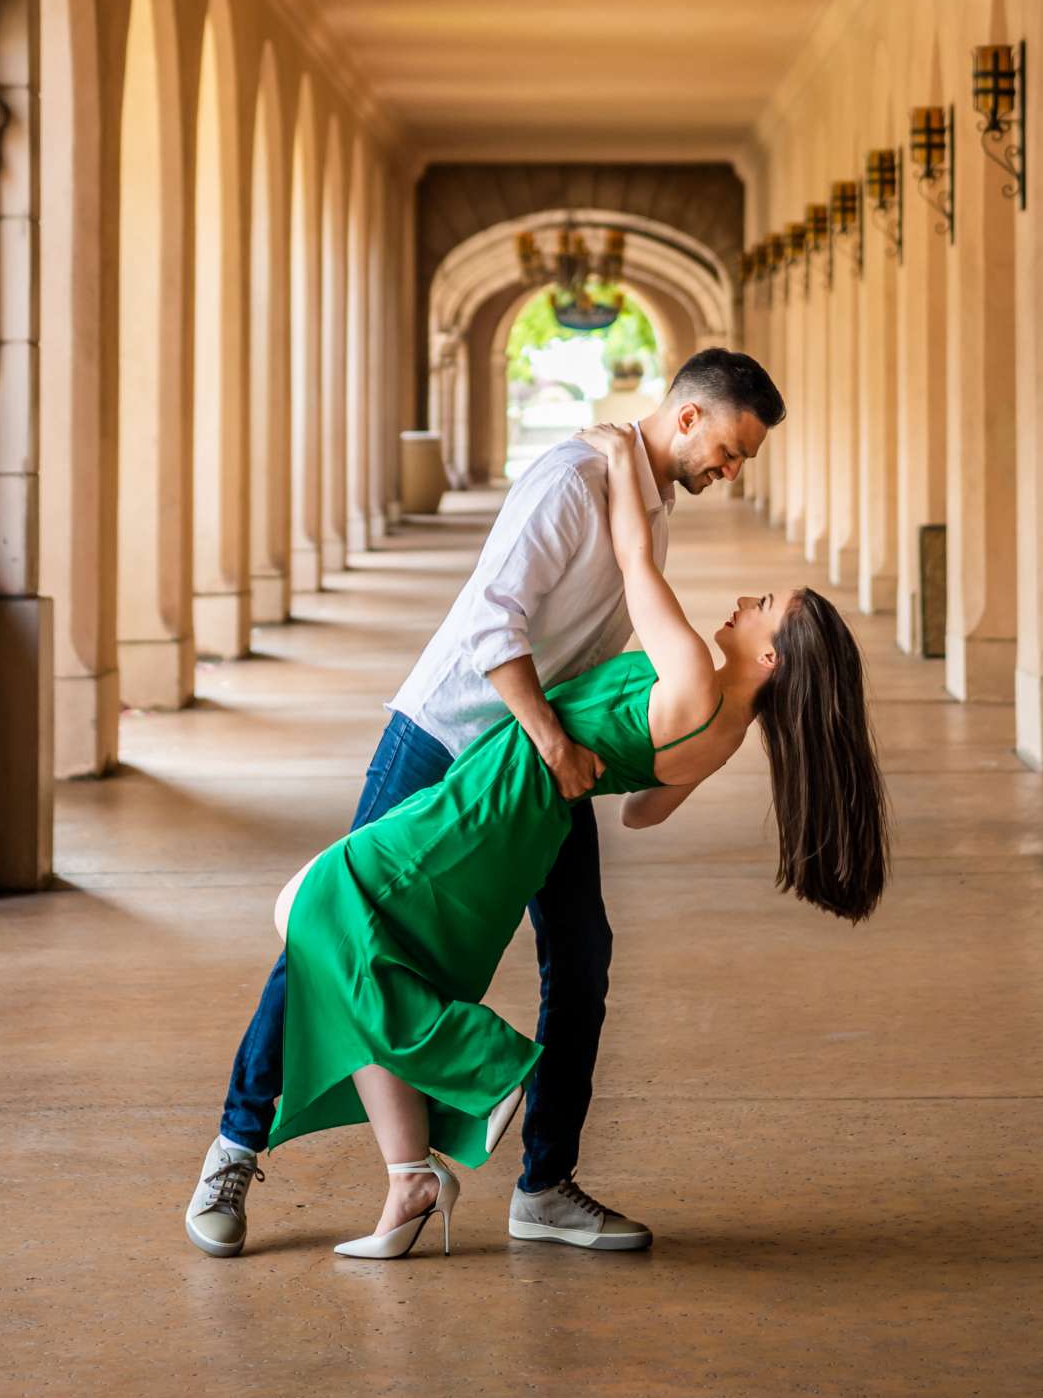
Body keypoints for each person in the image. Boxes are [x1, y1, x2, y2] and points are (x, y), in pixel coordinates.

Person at [186, 347, 786, 1259]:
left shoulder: (646, 501)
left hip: (544, 760)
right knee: (329, 927)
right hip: (454, 736)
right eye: (732, 450)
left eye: (745, 462)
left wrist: (573, 747)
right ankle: (234, 1147)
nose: (732, 473)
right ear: (691, 416)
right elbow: (489, 624)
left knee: (581, 958)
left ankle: (544, 1187)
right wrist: (550, 736)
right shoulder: (573, 479)